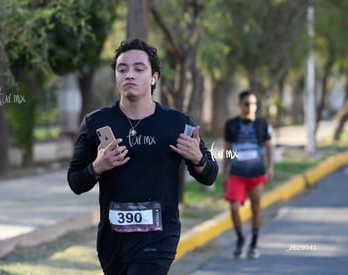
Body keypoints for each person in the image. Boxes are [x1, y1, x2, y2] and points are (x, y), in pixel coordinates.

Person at [67, 38, 218, 275]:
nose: (129, 75)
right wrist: (97, 166)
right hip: (112, 243)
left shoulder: (178, 123)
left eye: (139, 69)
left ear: (154, 77)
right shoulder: (96, 123)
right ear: (115, 76)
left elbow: (210, 175)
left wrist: (198, 158)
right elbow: (75, 181)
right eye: (122, 69)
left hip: (158, 239)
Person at [221, 90, 274, 259]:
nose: (250, 107)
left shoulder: (262, 123)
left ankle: (253, 244)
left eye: (253, 104)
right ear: (239, 105)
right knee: (234, 207)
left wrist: (270, 167)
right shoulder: (231, 124)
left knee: (256, 209)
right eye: (246, 104)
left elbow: (269, 146)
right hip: (236, 173)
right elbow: (227, 148)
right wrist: (224, 172)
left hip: (257, 173)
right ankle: (240, 238)